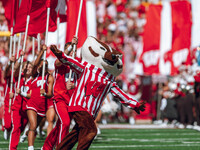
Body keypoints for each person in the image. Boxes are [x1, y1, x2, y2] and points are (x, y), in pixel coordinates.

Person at [50, 36, 145, 150]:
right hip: (79, 105)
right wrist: (61, 54)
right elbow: (72, 62)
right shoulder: (88, 68)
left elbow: (120, 95)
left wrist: (135, 104)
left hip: (90, 112)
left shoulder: (110, 79)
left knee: (75, 134)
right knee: (91, 131)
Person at [43, 37, 79, 150]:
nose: (72, 52)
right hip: (60, 98)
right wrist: (69, 48)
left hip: (71, 100)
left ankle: (47, 147)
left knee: (60, 126)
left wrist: (74, 86)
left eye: (74, 50)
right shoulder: (60, 62)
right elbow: (59, 60)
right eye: (70, 50)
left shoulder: (76, 63)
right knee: (65, 122)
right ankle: (60, 147)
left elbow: (81, 81)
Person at [26, 45, 54, 150]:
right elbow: (35, 64)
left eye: (46, 65)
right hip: (32, 104)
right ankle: (30, 147)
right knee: (33, 125)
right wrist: (42, 51)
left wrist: (45, 93)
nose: (43, 67)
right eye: (42, 65)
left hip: (42, 106)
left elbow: (50, 93)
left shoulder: (49, 77)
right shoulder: (35, 74)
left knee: (34, 128)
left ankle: (27, 135)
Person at [9, 58, 33, 150]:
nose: (28, 68)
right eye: (26, 67)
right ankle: (12, 148)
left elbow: (31, 95)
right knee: (16, 127)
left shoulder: (33, 80)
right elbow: (15, 70)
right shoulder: (18, 78)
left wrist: (21, 93)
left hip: (27, 109)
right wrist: (19, 59)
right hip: (17, 107)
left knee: (21, 128)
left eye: (30, 67)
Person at [2, 55, 15, 140]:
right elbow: (5, 72)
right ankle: (7, 128)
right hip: (8, 100)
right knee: (8, 124)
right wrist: (10, 62)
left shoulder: (21, 74)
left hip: (18, 99)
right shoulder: (9, 74)